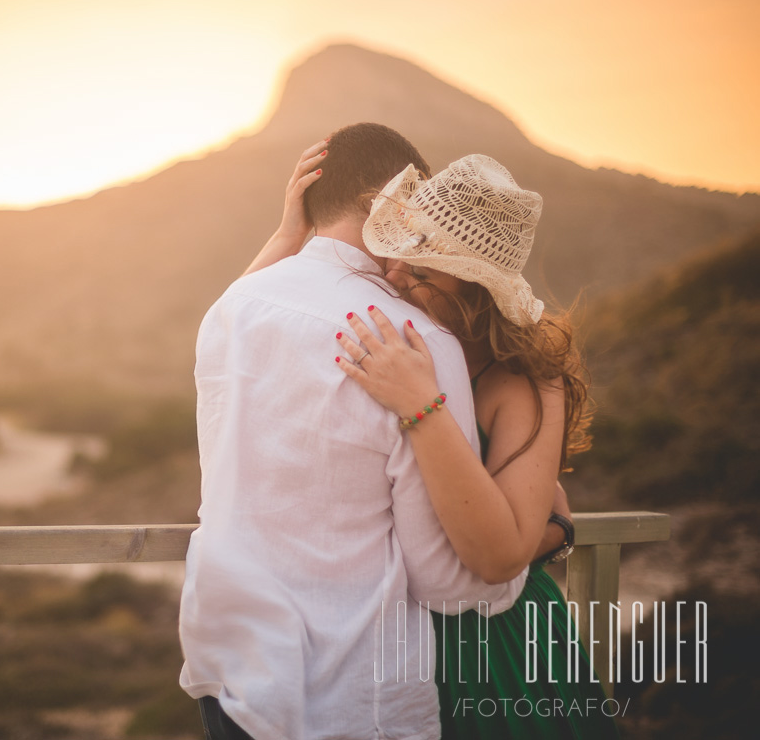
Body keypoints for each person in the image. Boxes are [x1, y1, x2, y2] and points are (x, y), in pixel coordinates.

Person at [179, 124, 528, 740]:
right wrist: (525, 555)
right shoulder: (413, 342)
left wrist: (293, 232)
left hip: (230, 668)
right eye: (414, 203)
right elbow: (444, 582)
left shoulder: (230, 309)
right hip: (345, 693)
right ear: (381, 204)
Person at [330, 154, 618, 738]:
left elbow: (497, 558)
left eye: (425, 273)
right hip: (388, 638)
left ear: (479, 292)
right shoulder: (384, 327)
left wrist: (421, 408)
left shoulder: (524, 378)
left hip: (493, 647)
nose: (395, 279)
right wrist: (554, 527)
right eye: (400, 256)